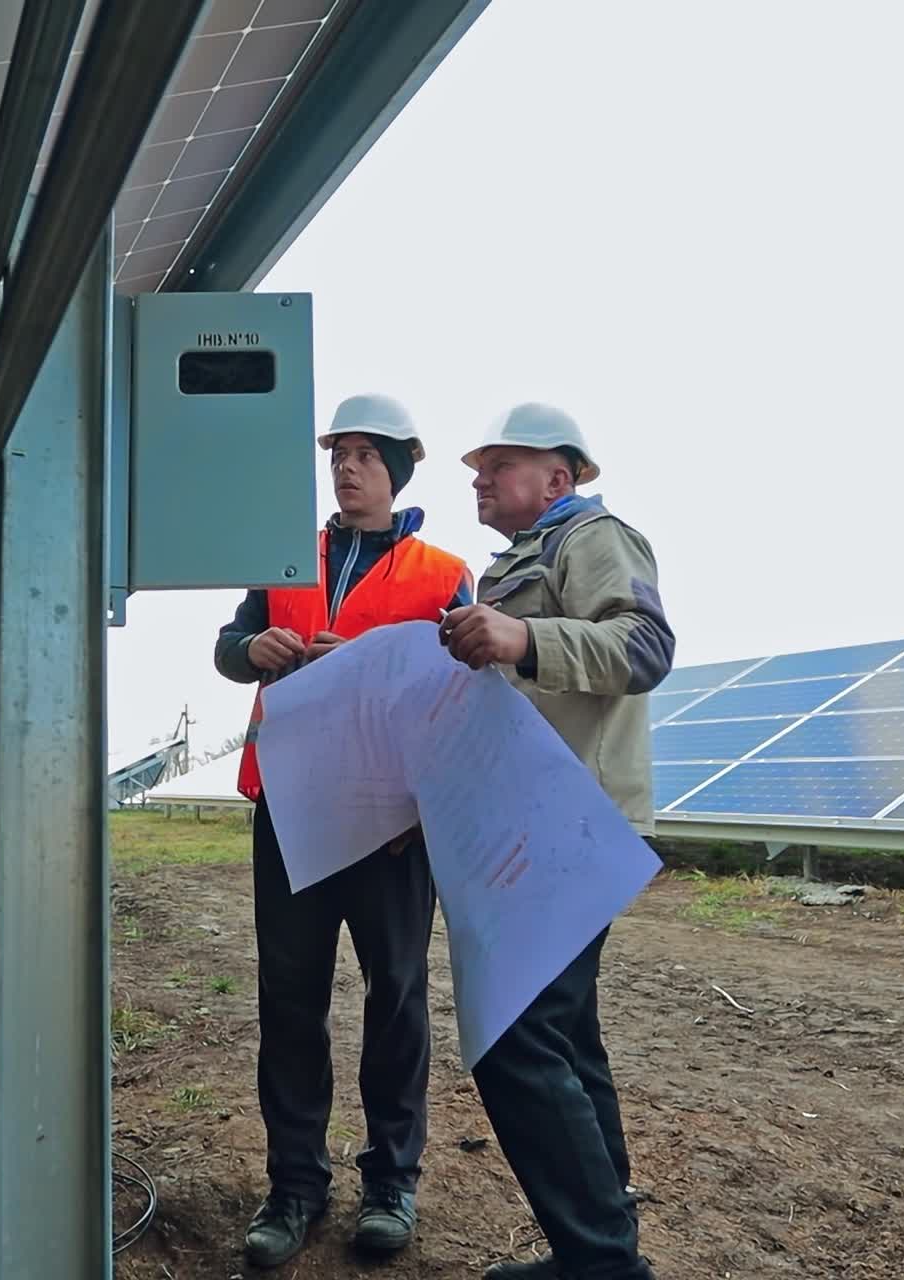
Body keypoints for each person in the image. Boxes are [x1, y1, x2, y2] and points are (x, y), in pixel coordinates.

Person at [215, 394, 472, 1269]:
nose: (347, 468)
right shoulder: (284, 556)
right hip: (290, 810)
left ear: (397, 471)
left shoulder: (443, 573)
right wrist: (251, 650)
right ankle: (295, 1185)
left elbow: (461, 691)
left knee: (396, 996)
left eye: (365, 454)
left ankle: (391, 1183)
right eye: (338, 454)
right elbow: (229, 644)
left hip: (391, 821)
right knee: (290, 1001)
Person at [439, 402, 674, 1280]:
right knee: (565, 1036)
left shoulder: (594, 537)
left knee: (517, 1036)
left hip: (577, 818)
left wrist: (523, 635)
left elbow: (644, 647)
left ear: (558, 478)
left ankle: (601, 1260)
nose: (479, 478)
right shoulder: (511, 565)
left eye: (498, 465)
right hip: (533, 817)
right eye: (479, 468)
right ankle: (599, 1248)